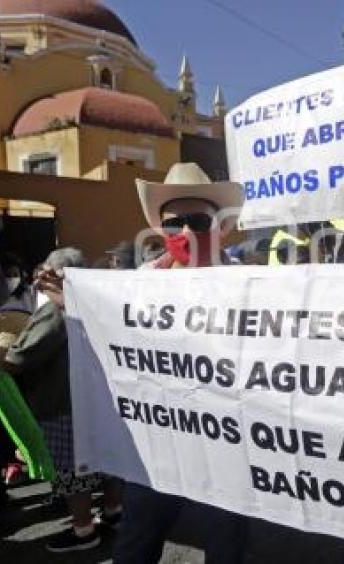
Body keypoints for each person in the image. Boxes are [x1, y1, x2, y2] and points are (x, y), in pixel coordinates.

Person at [41, 163, 248, 563]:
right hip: (158, 442)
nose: (185, 232)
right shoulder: (142, 280)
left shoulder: (248, 282)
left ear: (221, 226)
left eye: (198, 221)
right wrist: (73, 301)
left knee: (226, 546)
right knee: (137, 542)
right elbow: (109, 327)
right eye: (174, 225)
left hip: (226, 444)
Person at [0, 247, 123, 552]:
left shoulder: (55, 309)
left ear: (56, 275)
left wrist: (3, 358)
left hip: (62, 401)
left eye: (45, 272)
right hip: (94, 397)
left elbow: (22, 357)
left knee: (71, 469)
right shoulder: (94, 302)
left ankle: (83, 531)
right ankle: (115, 511)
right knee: (106, 461)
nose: (38, 278)